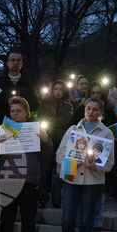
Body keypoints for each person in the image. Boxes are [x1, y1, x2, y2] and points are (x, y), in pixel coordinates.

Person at [55, 98, 114, 232]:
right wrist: (73, 161)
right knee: (67, 219)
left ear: (100, 112)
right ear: (84, 110)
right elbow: (59, 155)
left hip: (92, 181)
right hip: (72, 179)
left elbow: (109, 163)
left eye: (95, 109)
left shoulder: (106, 133)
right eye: (88, 108)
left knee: (86, 220)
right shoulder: (73, 130)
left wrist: (95, 166)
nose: (91, 112)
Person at [0, 97, 52, 232]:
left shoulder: (34, 131)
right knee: (6, 219)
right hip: (9, 180)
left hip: (29, 181)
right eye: (12, 111)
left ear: (26, 113)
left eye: (18, 111)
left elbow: (48, 154)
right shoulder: (3, 131)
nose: (15, 114)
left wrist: (45, 139)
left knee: (29, 220)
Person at [39, 80, 73, 208]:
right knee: (44, 170)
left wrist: (51, 122)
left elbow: (66, 121)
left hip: (60, 140)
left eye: (60, 89)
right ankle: (42, 197)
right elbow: (41, 118)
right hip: (47, 140)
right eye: (56, 89)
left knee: (58, 171)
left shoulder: (68, 105)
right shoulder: (46, 104)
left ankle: (56, 199)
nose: (58, 91)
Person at [0, 50, 39, 122]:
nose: (16, 62)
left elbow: (35, 104)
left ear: (22, 63)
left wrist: (22, 103)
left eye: (18, 60)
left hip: (23, 126)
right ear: (7, 63)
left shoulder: (29, 82)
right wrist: (7, 101)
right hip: (3, 124)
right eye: (13, 60)